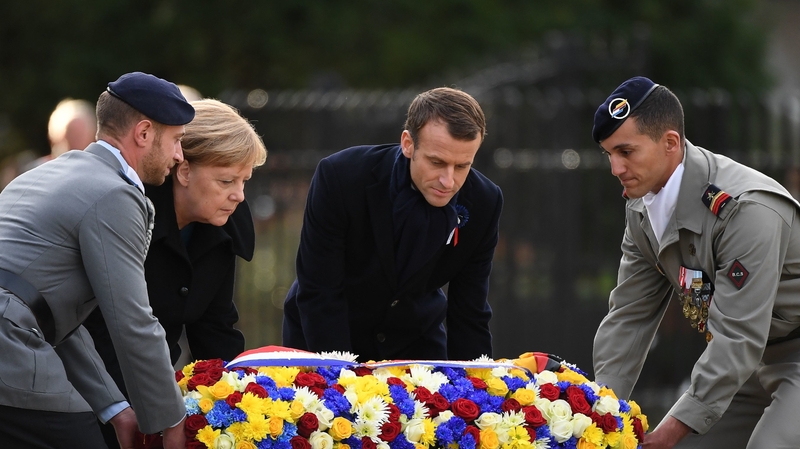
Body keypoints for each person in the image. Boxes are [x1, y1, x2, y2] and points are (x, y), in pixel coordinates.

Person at [591, 76, 800, 448]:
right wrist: (600, 413)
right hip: (751, 358)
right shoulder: (643, 209)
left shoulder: (746, 209)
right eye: (609, 154)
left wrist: (672, 429)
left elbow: (737, 335)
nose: (615, 169)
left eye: (626, 152)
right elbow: (629, 315)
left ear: (670, 142)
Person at [0, 72, 193, 448]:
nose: (179, 155)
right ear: (143, 133)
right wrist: (172, 422)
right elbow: (133, 321)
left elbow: (44, 315)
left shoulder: (44, 175)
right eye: (177, 140)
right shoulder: (115, 195)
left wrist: (114, 407)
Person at [84, 99, 267, 448]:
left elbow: (215, 328)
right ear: (183, 170)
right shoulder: (126, 212)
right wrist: (141, 408)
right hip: (91, 385)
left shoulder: (223, 224)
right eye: (226, 180)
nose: (239, 196)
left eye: (245, 181)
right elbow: (101, 326)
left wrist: (236, 408)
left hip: (153, 392)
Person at [282, 87, 503, 362]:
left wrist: (478, 389)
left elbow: (470, 310)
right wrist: (338, 378)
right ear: (408, 143)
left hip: (416, 343)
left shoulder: (484, 200)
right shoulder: (341, 176)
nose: (449, 181)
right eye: (437, 162)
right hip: (327, 336)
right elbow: (320, 290)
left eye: (462, 166)